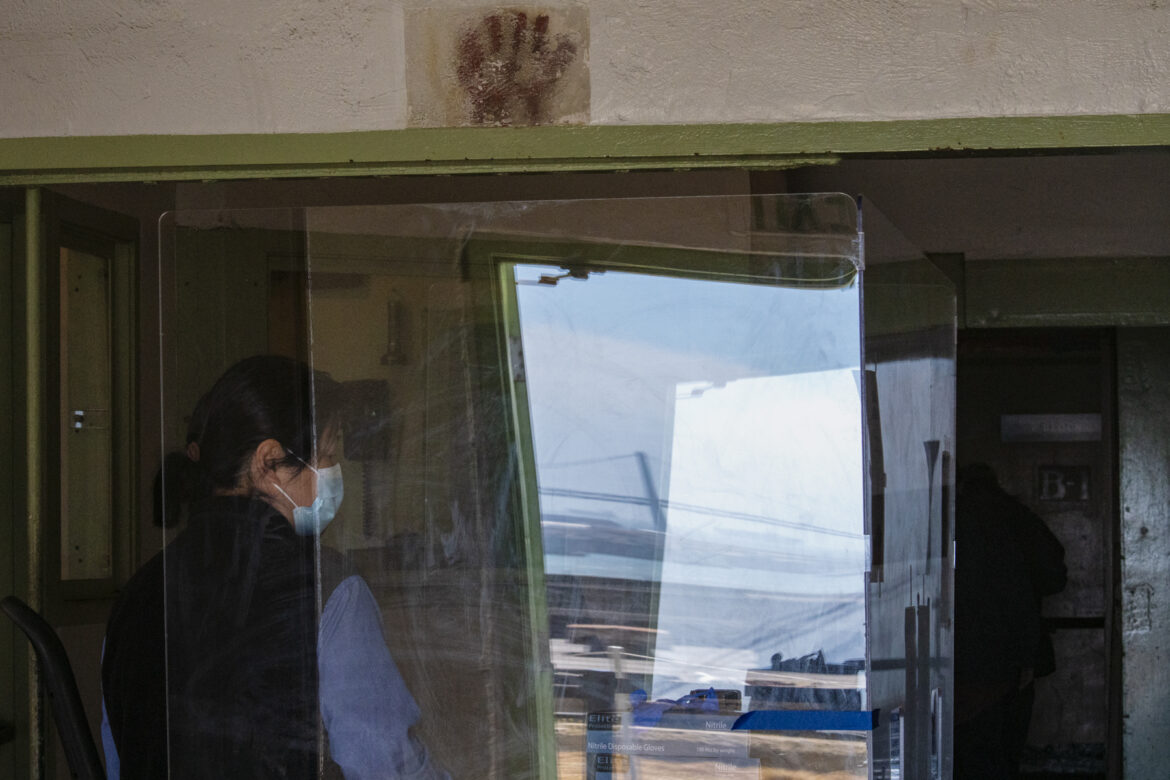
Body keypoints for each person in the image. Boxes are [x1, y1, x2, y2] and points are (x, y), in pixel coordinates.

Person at [101, 355, 447, 779]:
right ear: (268, 463)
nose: (335, 475)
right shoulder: (329, 591)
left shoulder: (137, 595)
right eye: (327, 455)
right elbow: (387, 766)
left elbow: (118, 763)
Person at [954, 463, 1067, 780]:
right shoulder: (1019, 519)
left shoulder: (951, 520)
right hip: (1013, 652)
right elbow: (1054, 578)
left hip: (962, 651)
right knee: (1005, 746)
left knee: (969, 745)